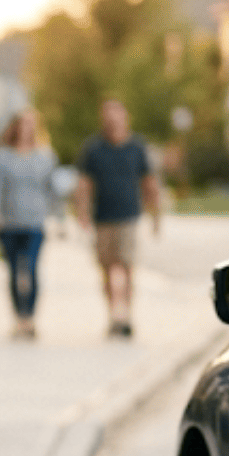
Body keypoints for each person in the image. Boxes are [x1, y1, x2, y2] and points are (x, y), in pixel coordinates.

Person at [73, 98, 161, 338]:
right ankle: (113, 314)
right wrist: (82, 213)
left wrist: (156, 216)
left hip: (129, 217)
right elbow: (84, 184)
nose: (112, 120)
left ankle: (127, 315)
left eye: (116, 115)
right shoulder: (93, 148)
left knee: (127, 267)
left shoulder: (136, 147)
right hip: (102, 218)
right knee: (107, 269)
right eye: (107, 115)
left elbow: (149, 182)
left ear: (125, 117)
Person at [0, 109, 60, 339]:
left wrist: (60, 218)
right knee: (12, 272)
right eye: (22, 124)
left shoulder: (45, 157)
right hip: (9, 222)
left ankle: (30, 317)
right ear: (15, 127)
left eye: (31, 124)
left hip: (35, 222)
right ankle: (18, 317)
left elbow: (52, 190)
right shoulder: (3, 156)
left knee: (30, 268)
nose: (26, 128)